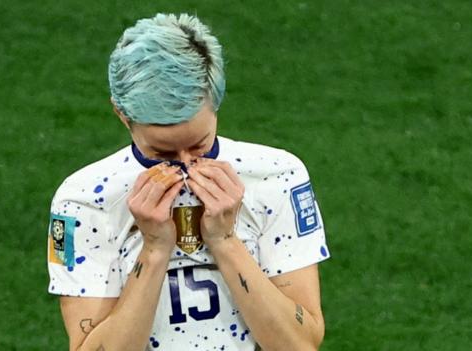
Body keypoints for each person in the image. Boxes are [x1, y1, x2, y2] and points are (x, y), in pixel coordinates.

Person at [47, 13, 330, 351]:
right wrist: (153, 251)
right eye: (161, 153)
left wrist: (225, 240)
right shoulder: (81, 201)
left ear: (216, 104)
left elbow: (299, 345)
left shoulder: (277, 176)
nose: (184, 166)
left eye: (199, 145)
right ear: (122, 115)